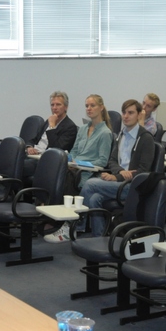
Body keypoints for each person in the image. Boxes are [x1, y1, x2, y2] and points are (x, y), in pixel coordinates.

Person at [59, 99, 156, 240]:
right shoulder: (121, 135)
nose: (126, 116)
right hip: (119, 181)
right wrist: (119, 172)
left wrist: (117, 177)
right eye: (124, 112)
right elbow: (112, 161)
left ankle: (75, 226)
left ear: (139, 115)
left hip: (133, 186)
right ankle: (98, 238)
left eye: (130, 113)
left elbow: (143, 170)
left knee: (90, 184)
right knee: (94, 199)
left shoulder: (146, 139)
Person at [24, 91, 78, 179]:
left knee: (17, 166)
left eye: (58, 104)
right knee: (10, 159)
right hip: (33, 156)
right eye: (52, 105)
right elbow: (34, 140)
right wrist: (29, 147)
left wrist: (52, 126)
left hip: (45, 161)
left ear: (66, 107)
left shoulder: (70, 127)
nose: (54, 108)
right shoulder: (48, 121)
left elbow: (56, 148)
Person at [66, 93, 113, 191]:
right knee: (52, 171)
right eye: (87, 106)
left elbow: (102, 161)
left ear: (101, 108)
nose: (89, 108)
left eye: (92, 105)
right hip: (73, 169)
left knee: (61, 179)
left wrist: (79, 163)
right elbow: (74, 150)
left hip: (87, 174)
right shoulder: (82, 129)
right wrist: (71, 161)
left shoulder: (105, 133)